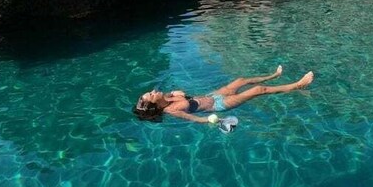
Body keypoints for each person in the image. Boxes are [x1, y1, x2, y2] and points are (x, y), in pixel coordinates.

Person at [133, 66, 313, 124]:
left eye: (149, 91)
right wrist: (216, 120)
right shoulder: (172, 110)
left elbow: (180, 94)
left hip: (213, 95)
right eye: (150, 95)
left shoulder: (167, 96)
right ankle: (298, 85)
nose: (152, 91)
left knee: (241, 80)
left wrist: (178, 93)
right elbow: (195, 119)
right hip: (219, 105)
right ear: (154, 105)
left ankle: (274, 75)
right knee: (258, 90)